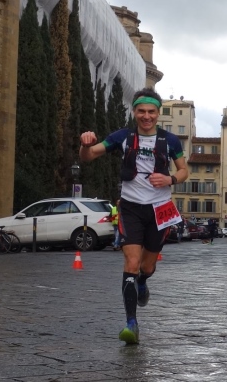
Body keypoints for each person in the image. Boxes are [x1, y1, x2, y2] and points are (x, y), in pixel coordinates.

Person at [79, 88, 188, 345]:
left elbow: (184, 170)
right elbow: (89, 156)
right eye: (141, 111)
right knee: (131, 262)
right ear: (134, 112)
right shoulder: (123, 137)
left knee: (147, 266)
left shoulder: (170, 141)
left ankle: (142, 282)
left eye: (151, 112)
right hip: (130, 207)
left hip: (159, 209)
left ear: (158, 114)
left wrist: (170, 179)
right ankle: (131, 324)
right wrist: (84, 145)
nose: (146, 116)